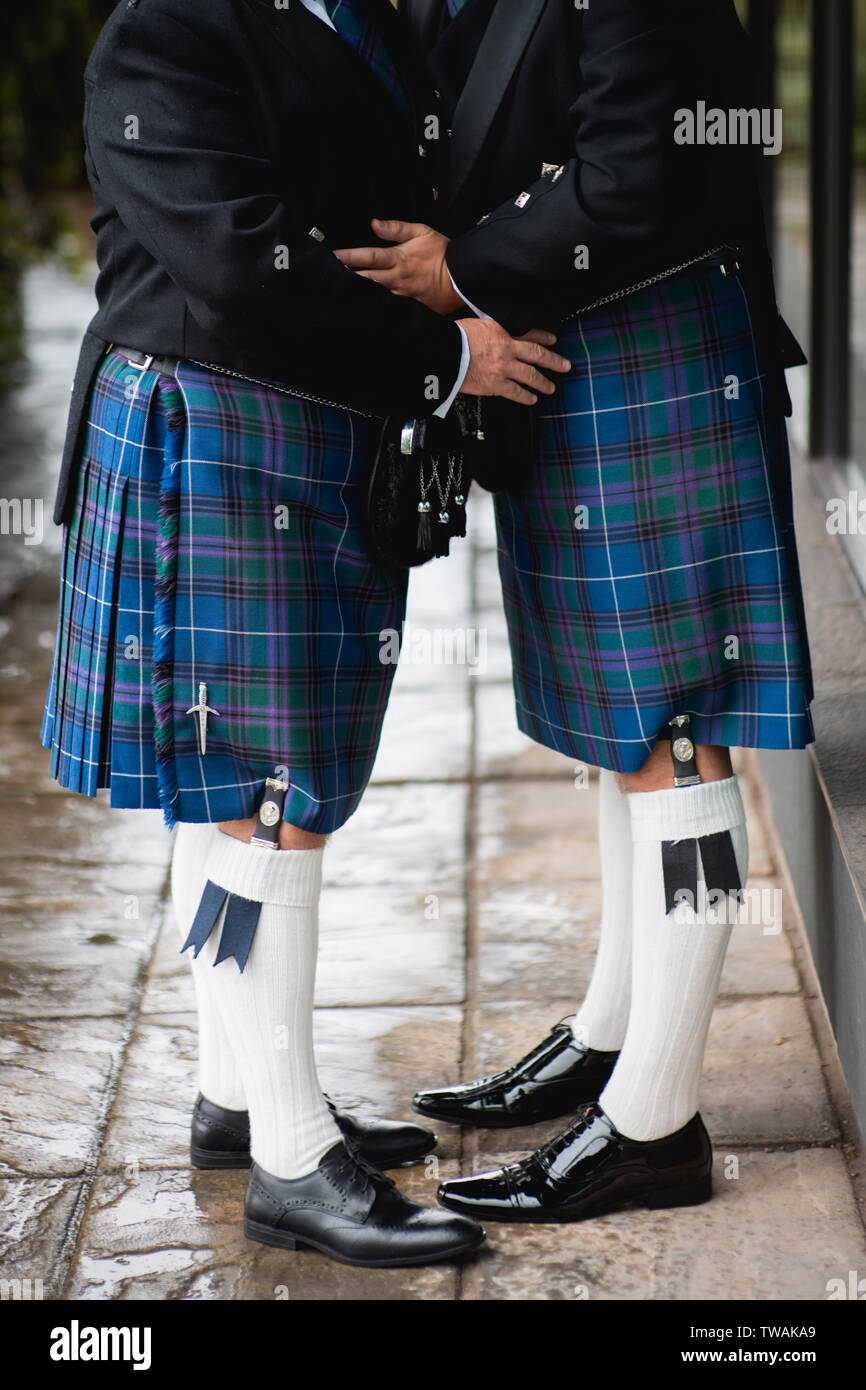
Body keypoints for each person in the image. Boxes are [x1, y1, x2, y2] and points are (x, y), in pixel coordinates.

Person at [40, 0, 570, 1266]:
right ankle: (287, 1157)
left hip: (300, 432)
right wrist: (445, 356)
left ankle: (239, 1092)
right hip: (214, 430)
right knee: (255, 795)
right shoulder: (162, 32)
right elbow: (236, 265)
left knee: (255, 791)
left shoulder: (364, 17)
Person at [339, 0, 815, 1222]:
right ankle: (612, 1031)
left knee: (673, 733)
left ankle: (655, 1121)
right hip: (576, 356)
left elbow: (635, 172)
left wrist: (456, 268)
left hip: (646, 341)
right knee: (626, 731)